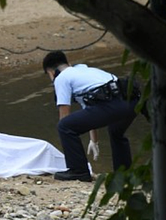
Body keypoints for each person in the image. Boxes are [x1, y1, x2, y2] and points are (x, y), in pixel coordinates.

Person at [42, 50, 140, 182]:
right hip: (131, 103)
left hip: (111, 105)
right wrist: (94, 141)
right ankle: (123, 175)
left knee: (64, 126)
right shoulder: (85, 70)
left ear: (51, 72)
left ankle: (79, 171)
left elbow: (64, 115)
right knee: (116, 132)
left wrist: (68, 145)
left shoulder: (61, 78)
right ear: (68, 63)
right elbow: (92, 109)